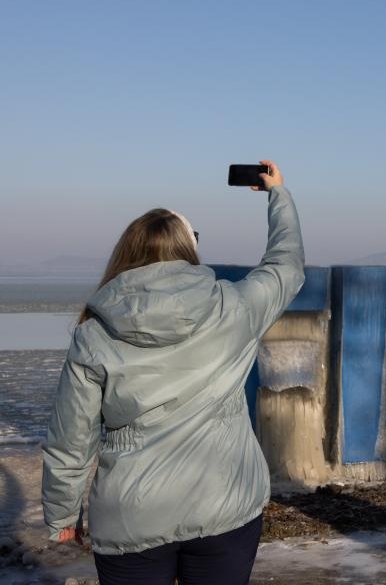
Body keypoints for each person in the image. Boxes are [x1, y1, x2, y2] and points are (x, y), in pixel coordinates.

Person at [42, 160, 304, 584]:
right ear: (189, 250)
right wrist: (279, 196)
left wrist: (63, 513)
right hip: (225, 505)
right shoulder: (233, 307)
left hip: (132, 516)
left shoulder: (94, 331)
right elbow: (286, 268)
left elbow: (71, 438)